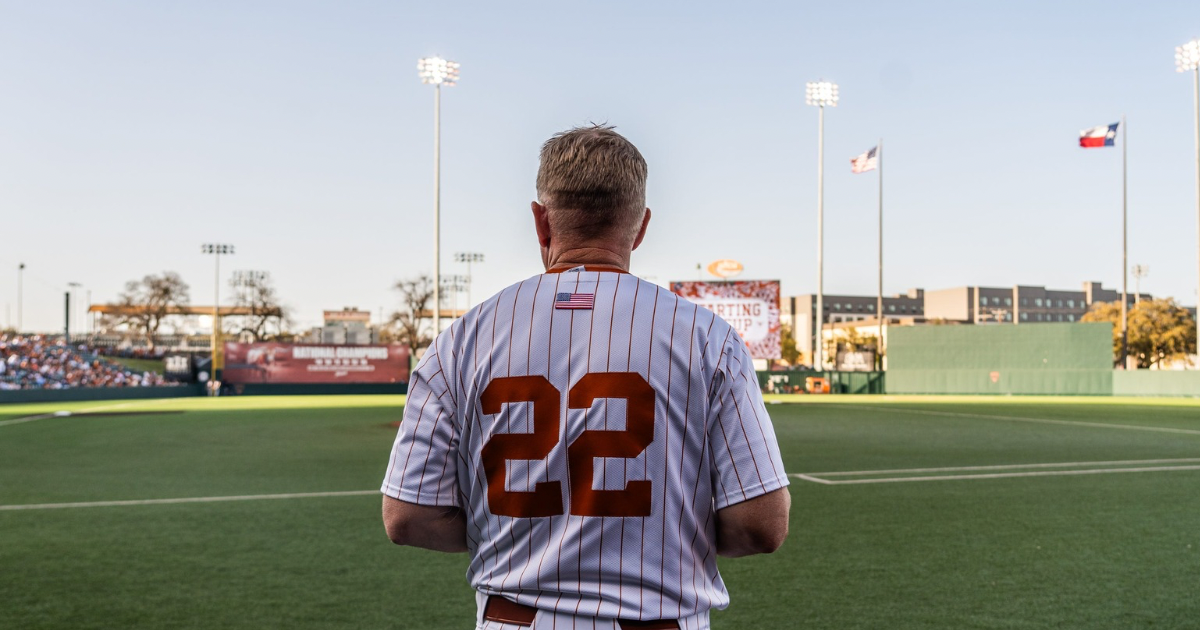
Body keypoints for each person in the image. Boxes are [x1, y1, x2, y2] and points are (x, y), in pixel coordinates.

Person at [381, 125, 790, 630]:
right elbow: (760, 526)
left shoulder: (461, 339)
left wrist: (513, 534)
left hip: (515, 620)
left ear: (540, 222)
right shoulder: (708, 338)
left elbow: (407, 517)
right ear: (640, 226)